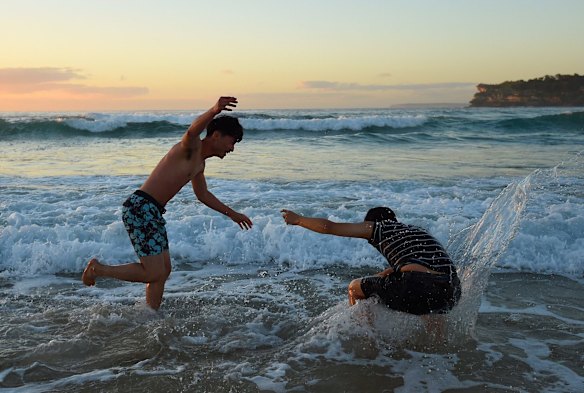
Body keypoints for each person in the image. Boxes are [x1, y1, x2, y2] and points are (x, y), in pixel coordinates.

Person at [82, 96, 253, 310]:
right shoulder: (190, 149)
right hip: (140, 207)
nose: (231, 149)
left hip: (151, 210)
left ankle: (150, 313)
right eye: (232, 142)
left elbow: (203, 195)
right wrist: (214, 110)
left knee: (163, 270)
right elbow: (192, 131)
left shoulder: (199, 164)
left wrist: (233, 214)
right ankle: (98, 269)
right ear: (216, 135)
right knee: (153, 272)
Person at [281, 207, 460, 316]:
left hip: (416, 284)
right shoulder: (417, 232)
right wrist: (378, 278)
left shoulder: (380, 227)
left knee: (354, 288)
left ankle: (366, 341)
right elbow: (408, 270)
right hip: (451, 291)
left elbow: (330, 227)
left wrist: (298, 220)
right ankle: (435, 348)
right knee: (431, 308)